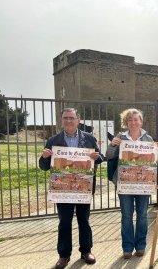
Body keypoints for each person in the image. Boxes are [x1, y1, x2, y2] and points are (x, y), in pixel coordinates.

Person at [39, 108, 103, 269]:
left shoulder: (89, 138)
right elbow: (44, 167)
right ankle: (64, 255)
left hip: (83, 188)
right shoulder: (53, 140)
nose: (69, 121)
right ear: (62, 120)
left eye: (72, 118)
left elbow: (100, 157)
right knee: (65, 222)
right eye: (65, 118)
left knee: (84, 220)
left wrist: (98, 157)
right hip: (63, 189)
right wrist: (44, 157)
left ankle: (86, 251)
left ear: (78, 119)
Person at [105, 108, 153, 259]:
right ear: (126, 122)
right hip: (124, 182)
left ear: (141, 121)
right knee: (126, 216)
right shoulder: (120, 137)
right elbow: (108, 156)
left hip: (143, 183)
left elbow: (154, 159)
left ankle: (140, 245)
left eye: (136, 119)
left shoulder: (148, 139)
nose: (133, 122)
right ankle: (127, 247)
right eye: (130, 120)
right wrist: (113, 145)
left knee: (142, 215)